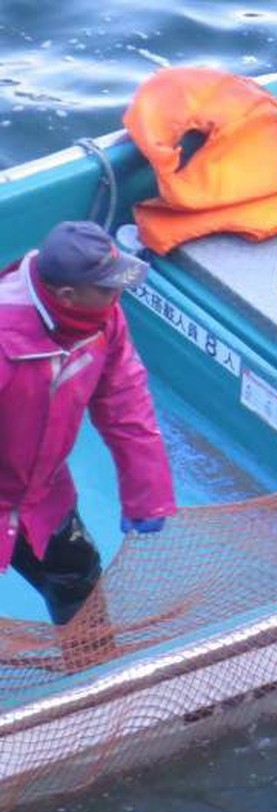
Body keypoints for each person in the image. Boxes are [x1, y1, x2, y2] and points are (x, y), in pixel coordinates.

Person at [0, 220, 176, 625]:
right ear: (67, 295)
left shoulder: (104, 319)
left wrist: (147, 493)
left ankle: (94, 671)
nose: (119, 296)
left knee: (78, 574)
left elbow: (125, 400)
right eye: (108, 287)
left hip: (43, 493)